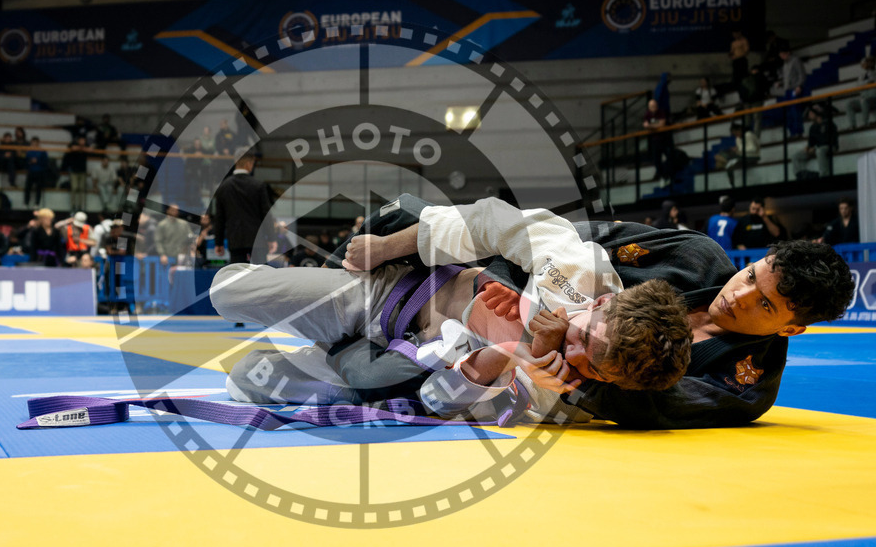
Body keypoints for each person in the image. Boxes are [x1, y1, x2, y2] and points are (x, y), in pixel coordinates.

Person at [325, 194, 854, 429]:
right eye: (751, 276)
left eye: (764, 303)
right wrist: (519, 297)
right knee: (400, 214)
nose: (739, 294)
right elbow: (574, 245)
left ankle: (357, 345)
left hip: (523, 375)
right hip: (500, 292)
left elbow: (642, 407)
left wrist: (547, 359)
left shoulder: (746, 384)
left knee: (371, 384)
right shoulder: (696, 257)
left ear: (791, 327)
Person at [212, 198, 692, 421]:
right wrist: (385, 247)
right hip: (388, 294)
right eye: (586, 332)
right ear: (604, 300)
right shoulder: (579, 270)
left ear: (606, 380)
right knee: (225, 292)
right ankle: (324, 318)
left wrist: (511, 351)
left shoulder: (556, 398)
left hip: (389, 364)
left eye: (591, 362)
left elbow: (439, 402)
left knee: (243, 382)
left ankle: (329, 354)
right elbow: (491, 220)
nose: (573, 349)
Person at [212, 150, 273, 263]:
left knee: (238, 276)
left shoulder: (223, 187)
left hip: (235, 241)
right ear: (249, 164)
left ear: (235, 162)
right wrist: (271, 238)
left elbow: (219, 218)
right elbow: (266, 214)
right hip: (257, 241)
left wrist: (218, 242)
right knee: (260, 276)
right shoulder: (258, 186)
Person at [791, 105, 838, 180]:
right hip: (817, 148)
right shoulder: (813, 127)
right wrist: (808, 148)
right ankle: (800, 175)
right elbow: (811, 142)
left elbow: (828, 140)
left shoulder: (828, 123)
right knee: (795, 156)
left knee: (819, 151)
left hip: (830, 146)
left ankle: (824, 175)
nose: (809, 115)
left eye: (811, 113)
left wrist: (815, 147)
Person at [776, 42, 807, 138]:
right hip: (788, 91)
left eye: (782, 54)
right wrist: (781, 83)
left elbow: (801, 74)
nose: (781, 56)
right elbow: (787, 77)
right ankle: (792, 132)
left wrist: (800, 86)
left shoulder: (796, 60)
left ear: (787, 52)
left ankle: (798, 131)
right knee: (788, 112)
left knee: (795, 111)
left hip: (795, 89)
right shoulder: (785, 64)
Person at [715, 122, 760, 187]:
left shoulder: (748, 135)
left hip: (752, 157)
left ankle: (726, 162)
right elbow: (740, 150)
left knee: (728, 165)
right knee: (719, 155)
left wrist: (739, 149)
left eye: (736, 133)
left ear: (740, 129)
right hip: (741, 156)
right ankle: (731, 182)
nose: (736, 135)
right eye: (734, 134)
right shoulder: (738, 139)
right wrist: (736, 150)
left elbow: (753, 148)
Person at [642, 99, 669, 181]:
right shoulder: (647, 114)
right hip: (654, 140)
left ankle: (669, 174)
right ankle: (662, 176)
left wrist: (651, 126)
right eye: (652, 106)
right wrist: (653, 126)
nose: (654, 107)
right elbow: (645, 125)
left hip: (664, 138)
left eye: (655, 106)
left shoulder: (661, 112)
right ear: (649, 107)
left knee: (670, 156)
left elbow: (662, 124)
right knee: (656, 160)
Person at [846, 55, 875, 129]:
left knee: (864, 101)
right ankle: (853, 125)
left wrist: (864, 83)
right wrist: (866, 82)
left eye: (868, 62)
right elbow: (858, 85)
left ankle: (865, 123)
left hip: (873, 98)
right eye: (866, 62)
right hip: (864, 97)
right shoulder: (862, 75)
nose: (867, 64)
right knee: (849, 104)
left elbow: (872, 80)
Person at [62, 138, 89, 211]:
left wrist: (82, 148)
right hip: (74, 171)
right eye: (81, 140)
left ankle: (80, 206)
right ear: (78, 141)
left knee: (81, 189)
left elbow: (91, 149)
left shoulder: (86, 145)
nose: (82, 141)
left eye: (83, 140)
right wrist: (81, 148)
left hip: (82, 171)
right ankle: (73, 206)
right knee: (74, 188)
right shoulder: (74, 144)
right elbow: (72, 148)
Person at [24, 137, 49, 207]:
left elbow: (46, 162)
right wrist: (30, 162)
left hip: (40, 172)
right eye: (33, 142)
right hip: (31, 172)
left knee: (38, 188)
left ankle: (37, 203)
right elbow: (25, 162)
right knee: (28, 188)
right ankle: (26, 203)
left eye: (36, 142)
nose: (34, 144)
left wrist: (38, 161)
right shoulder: (28, 151)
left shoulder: (42, 151)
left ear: (38, 143)